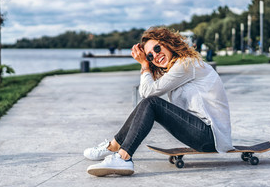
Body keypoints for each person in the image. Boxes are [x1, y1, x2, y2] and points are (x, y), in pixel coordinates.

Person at [84, 27, 233, 177]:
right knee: (149, 103)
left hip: (211, 136)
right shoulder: (176, 68)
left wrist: (144, 65)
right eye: (149, 56)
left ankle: (123, 156)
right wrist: (146, 66)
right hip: (202, 134)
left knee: (152, 103)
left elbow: (148, 93)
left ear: (167, 43)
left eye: (157, 48)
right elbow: (146, 93)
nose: (156, 55)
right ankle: (113, 146)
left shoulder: (187, 64)